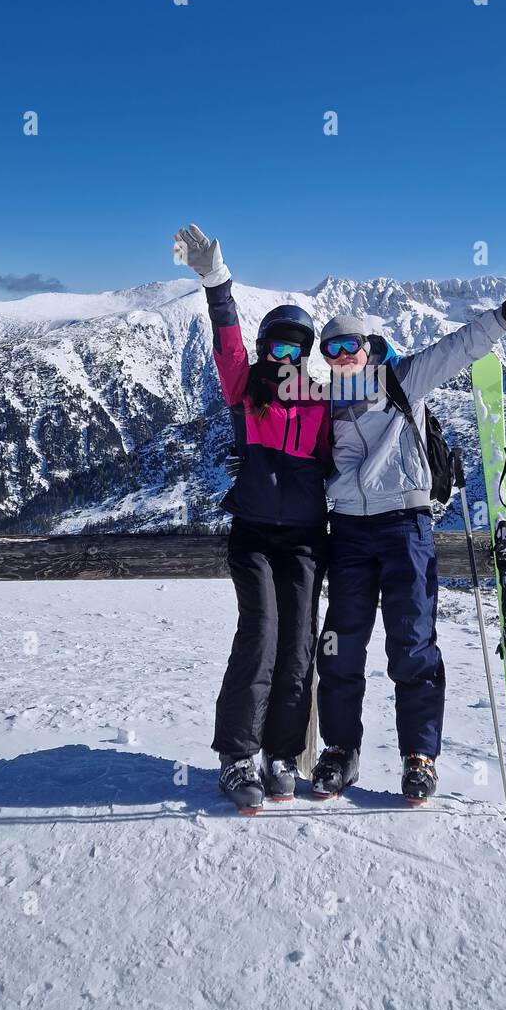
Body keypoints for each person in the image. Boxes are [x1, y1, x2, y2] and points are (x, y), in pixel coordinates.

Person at [312, 262, 506, 803]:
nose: (342, 357)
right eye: (331, 351)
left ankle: (419, 757)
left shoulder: (402, 378)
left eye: (350, 345)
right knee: (339, 646)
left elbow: (459, 348)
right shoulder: (322, 400)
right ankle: (339, 752)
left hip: (405, 524)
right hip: (348, 531)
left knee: (413, 644)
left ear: (368, 343)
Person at [174, 224, 332, 814]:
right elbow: (227, 342)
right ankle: (238, 756)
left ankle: (282, 754)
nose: (284, 356)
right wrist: (217, 281)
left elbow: (379, 402)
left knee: (298, 647)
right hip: (256, 536)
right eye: (278, 346)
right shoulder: (245, 388)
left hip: (307, 540)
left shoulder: (322, 399)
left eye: (295, 348)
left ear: (306, 354)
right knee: (261, 633)